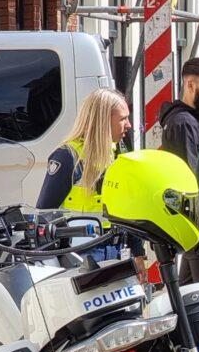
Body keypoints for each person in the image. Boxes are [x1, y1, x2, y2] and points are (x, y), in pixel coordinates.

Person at [38, 89, 131, 260]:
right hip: (81, 253)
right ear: (103, 121)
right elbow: (44, 213)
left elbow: (128, 209)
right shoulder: (68, 156)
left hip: (114, 247)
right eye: (123, 119)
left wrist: (137, 252)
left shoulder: (118, 154)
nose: (129, 125)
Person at [160, 57, 199, 287]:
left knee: (189, 298)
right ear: (190, 85)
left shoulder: (188, 121)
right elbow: (192, 178)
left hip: (195, 230)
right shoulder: (184, 124)